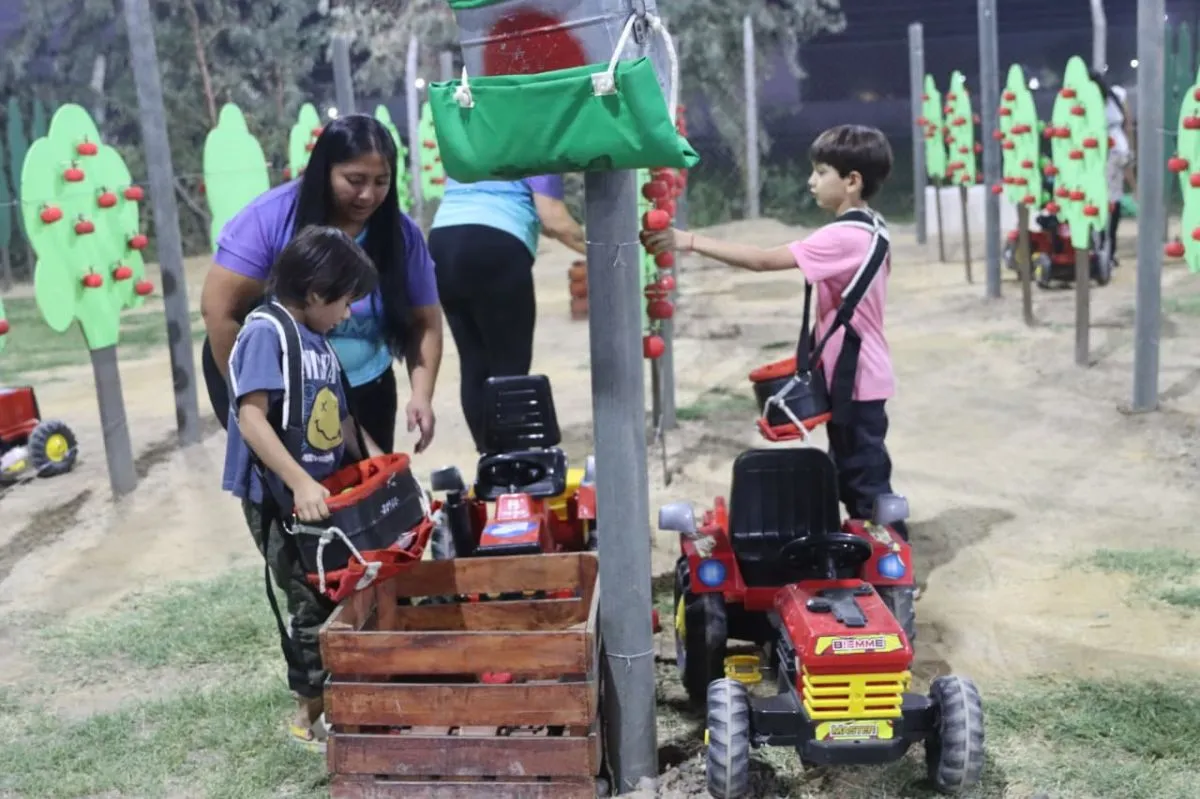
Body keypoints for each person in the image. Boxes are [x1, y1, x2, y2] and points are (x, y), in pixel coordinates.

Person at [641, 124, 907, 539]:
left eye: (821, 172)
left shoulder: (844, 236)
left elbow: (764, 260)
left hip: (855, 378)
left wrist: (689, 241)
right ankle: (868, 548)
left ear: (852, 181)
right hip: (859, 374)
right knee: (853, 469)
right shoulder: (872, 227)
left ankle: (892, 563)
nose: (811, 181)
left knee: (864, 478)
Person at [222, 225, 382, 750]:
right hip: (280, 495)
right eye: (345, 300)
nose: (349, 313)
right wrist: (298, 483)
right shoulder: (267, 332)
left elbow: (340, 418)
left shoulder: (317, 340)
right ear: (315, 293)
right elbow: (251, 419)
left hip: (319, 490)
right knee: (311, 598)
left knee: (342, 587)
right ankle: (309, 713)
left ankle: (346, 694)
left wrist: (377, 459)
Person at [201, 113, 443, 455]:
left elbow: (426, 321)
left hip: (365, 385)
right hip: (279, 391)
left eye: (381, 181)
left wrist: (422, 395)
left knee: (370, 492)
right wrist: (256, 400)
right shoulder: (269, 218)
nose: (367, 195)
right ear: (325, 170)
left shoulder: (400, 235)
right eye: (355, 179)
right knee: (296, 497)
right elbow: (218, 311)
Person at [428, 176, 586, 451]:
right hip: (495, 244)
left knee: (474, 361)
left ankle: (489, 460)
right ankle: (511, 465)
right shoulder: (534, 142)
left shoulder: (475, 134)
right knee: (510, 368)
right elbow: (553, 219)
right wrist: (610, 253)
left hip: (444, 239)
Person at [1090, 69, 1135, 267]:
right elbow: (1128, 125)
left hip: (1111, 152)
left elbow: (1128, 124)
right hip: (1112, 150)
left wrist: (1130, 150)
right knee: (1110, 200)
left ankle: (1105, 248)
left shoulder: (1113, 96)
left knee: (1108, 200)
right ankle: (1107, 248)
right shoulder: (1115, 95)